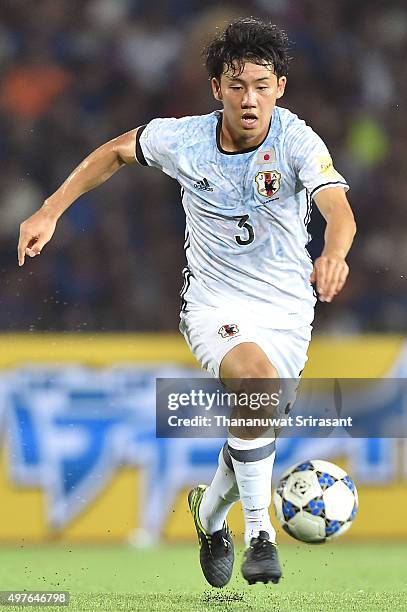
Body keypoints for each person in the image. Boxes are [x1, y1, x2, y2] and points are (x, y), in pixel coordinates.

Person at [18, 18, 356, 588]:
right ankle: (261, 537)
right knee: (254, 383)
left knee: (258, 419)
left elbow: (337, 208)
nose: (250, 99)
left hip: (288, 309)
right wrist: (51, 209)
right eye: (237, 85)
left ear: (279, 88)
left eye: (261, 85)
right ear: (216, 89)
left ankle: (211, 515)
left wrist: (336, 252)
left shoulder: (298, 141)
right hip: (214, 301)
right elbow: (118, 151)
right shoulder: (185, 139)